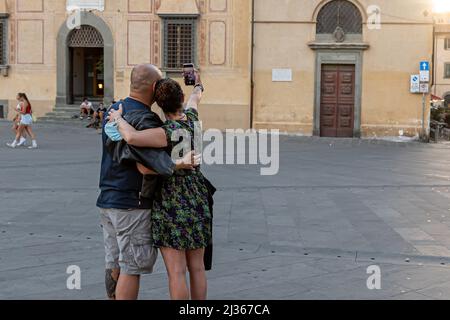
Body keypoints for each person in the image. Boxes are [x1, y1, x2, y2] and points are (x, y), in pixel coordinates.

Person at [97, 64, 197, 301]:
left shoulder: (114, 110)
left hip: (107, 199)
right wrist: (178, 164)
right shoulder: (146, 119)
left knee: (114, 263)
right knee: (132, 267)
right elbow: (145, 166)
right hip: (132, 202)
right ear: (154, 87)